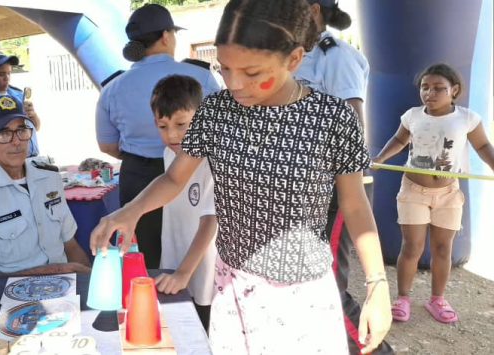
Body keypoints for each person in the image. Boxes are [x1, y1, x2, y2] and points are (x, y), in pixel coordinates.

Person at [90, 1, 391, 353]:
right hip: (233, 288)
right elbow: (174, 179)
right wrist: (130, 211)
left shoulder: (334, 118)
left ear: (294, 59)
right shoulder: (217, 111)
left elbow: (355, 207)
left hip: (303, 294)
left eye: (251, 73)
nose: (234, 84)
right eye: (225, 68)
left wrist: (378, 284)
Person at [294, 2, 389, 353]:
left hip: (336, 186)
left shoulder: (335, 56)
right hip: (305, 186)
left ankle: (371, 348)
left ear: (313, 9)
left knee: (328, 282)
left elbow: (351, 123)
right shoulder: (293, 55)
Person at [95, 3, 221, 268]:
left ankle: (148, 304)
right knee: (195, 251)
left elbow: (106, 144)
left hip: (137, 176)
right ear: (166, 36)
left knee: (145, 257)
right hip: (195, 175)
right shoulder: (200, 76)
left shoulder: (112, 87)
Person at [373, 63, 494, 324]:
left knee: (442, 248)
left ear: (455, 90)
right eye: (425, 87)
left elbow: (483, 145)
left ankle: (437, 299)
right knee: (412, 247)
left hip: (448, 194)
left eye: (439, 88)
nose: (430, 93)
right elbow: (399, 140)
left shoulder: (466, 118)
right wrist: (380, 157)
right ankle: (403, 298)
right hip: (413, 191)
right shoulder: (413, 116)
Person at [0, 95, 91, 277]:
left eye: (21, 130)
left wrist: (89, 278)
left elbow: (70, 244)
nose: (16, 141)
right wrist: (52, 271)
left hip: (66, 288)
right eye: (4, 133)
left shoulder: (49, 177)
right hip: (11, 298)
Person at [150, 75, 218, 332]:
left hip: (203, 272)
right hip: (175, 263)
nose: (173, 135)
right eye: (163, 126)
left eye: (181, 124)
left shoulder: (211, 159)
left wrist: (184, 272)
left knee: (204, 333)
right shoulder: (170, 154)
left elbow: (211, 219)